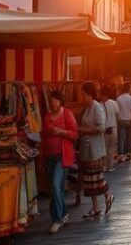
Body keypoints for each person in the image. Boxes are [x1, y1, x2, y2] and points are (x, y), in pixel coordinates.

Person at [42, 90, 78, 233]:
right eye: (51, 101)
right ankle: (63, 213)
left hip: (62, 157)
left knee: (56, 187)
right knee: (55, 189)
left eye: (55, 101)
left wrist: (60, 132)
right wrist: (42, 158)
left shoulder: (67, 114)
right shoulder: (47, 116)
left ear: (60, 101)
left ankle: (57, 219)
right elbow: (44, 137)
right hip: (49, 157)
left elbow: (75, 134)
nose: (52, 103)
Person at [78, 82, 114, 218]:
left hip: (95, 149)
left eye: (83, 95)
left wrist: (84, 130)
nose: (82, 97)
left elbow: (100, 128)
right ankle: (95, 207)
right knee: (89, 180)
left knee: (96, 177)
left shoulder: (96, 108)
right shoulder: (87, 108)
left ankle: (108, 196)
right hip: (87, 149)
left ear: (89, 95)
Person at [100, 86, 119, 172]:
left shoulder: (99, 105)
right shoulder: (114, 103)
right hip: (113, 128)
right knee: (111, 148)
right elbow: (117, 115)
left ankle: (104, 166)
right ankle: (110, 166)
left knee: (103, 148)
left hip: (104, 130)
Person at [116, 83, 131, 162]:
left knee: (121, 137)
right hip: (129, 119)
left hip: (121, 120)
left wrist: (118, 119)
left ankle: (121, 154)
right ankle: (128, 153)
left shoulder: (119, 98)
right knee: (128, 137)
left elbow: (117, 111)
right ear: (129, 88)